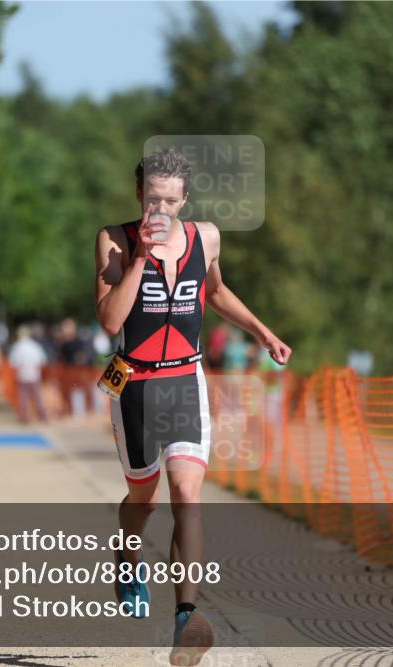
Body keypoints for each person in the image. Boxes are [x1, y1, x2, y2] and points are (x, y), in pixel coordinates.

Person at [94, 148, 291, 666]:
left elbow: (218, 291)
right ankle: (129, 556)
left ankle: (187, 617)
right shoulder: (114, 240)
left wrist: (264, 333)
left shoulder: (206, 237)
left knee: (187, 493)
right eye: (153, 198)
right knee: (144, 499)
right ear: (139, 194)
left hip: (185, 378)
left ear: (185, 199)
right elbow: (111, 321)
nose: (161, 209)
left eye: (171, 201)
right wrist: (138, 257)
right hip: (133, 383)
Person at [8, 325, 48, 423]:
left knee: (23, 397)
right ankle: (42, 415)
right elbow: (42, 360)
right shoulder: (35, 345)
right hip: (34, 374)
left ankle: (25, 417)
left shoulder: (17, 346)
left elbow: (13, 362)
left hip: (22, 374)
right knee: (37, 396)